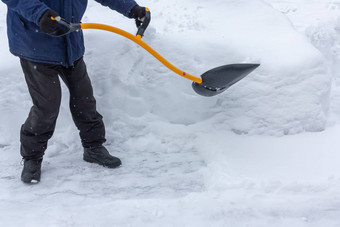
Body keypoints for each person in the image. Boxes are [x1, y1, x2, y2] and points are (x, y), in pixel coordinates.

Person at [1, 0, 148, 184]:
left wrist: (130, 8)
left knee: (84, 98)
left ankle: (93, 147)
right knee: (47, 105)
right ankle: (32, 157)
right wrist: (39, 14)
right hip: (35, 43)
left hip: (69, 40)